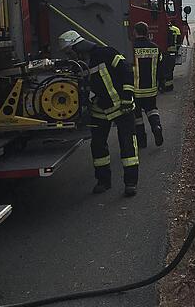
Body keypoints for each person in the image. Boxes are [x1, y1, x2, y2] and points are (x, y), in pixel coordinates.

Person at [59, 30, 139, 195]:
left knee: (128, 146)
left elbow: (127, 72)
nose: (69, 55)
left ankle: (130, 183)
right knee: (98, 147)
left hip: (122, 107)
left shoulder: (107, 53)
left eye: (69, 51)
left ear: (77, 46)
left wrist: (126, 97)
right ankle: (103, 181)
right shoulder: (78, 66)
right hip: (99, 111)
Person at [132, 21, 164, 149]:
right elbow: (161, 68)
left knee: (137, 116)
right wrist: (161, 83)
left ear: (135, 32)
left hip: (135, 89)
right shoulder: (155, 48)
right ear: (147, 32)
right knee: (152, 110)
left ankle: (142, 141)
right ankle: (156, 127)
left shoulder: (131, 48)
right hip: (151, 89)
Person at [163, 23, 181, 91]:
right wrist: (176, 50)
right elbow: (179, 42)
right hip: (172, 54)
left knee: (163, 70)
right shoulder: (176, 29)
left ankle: (163, 85)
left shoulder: (162, 29)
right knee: (170, 71)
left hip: (164, 53)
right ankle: (169, 87)